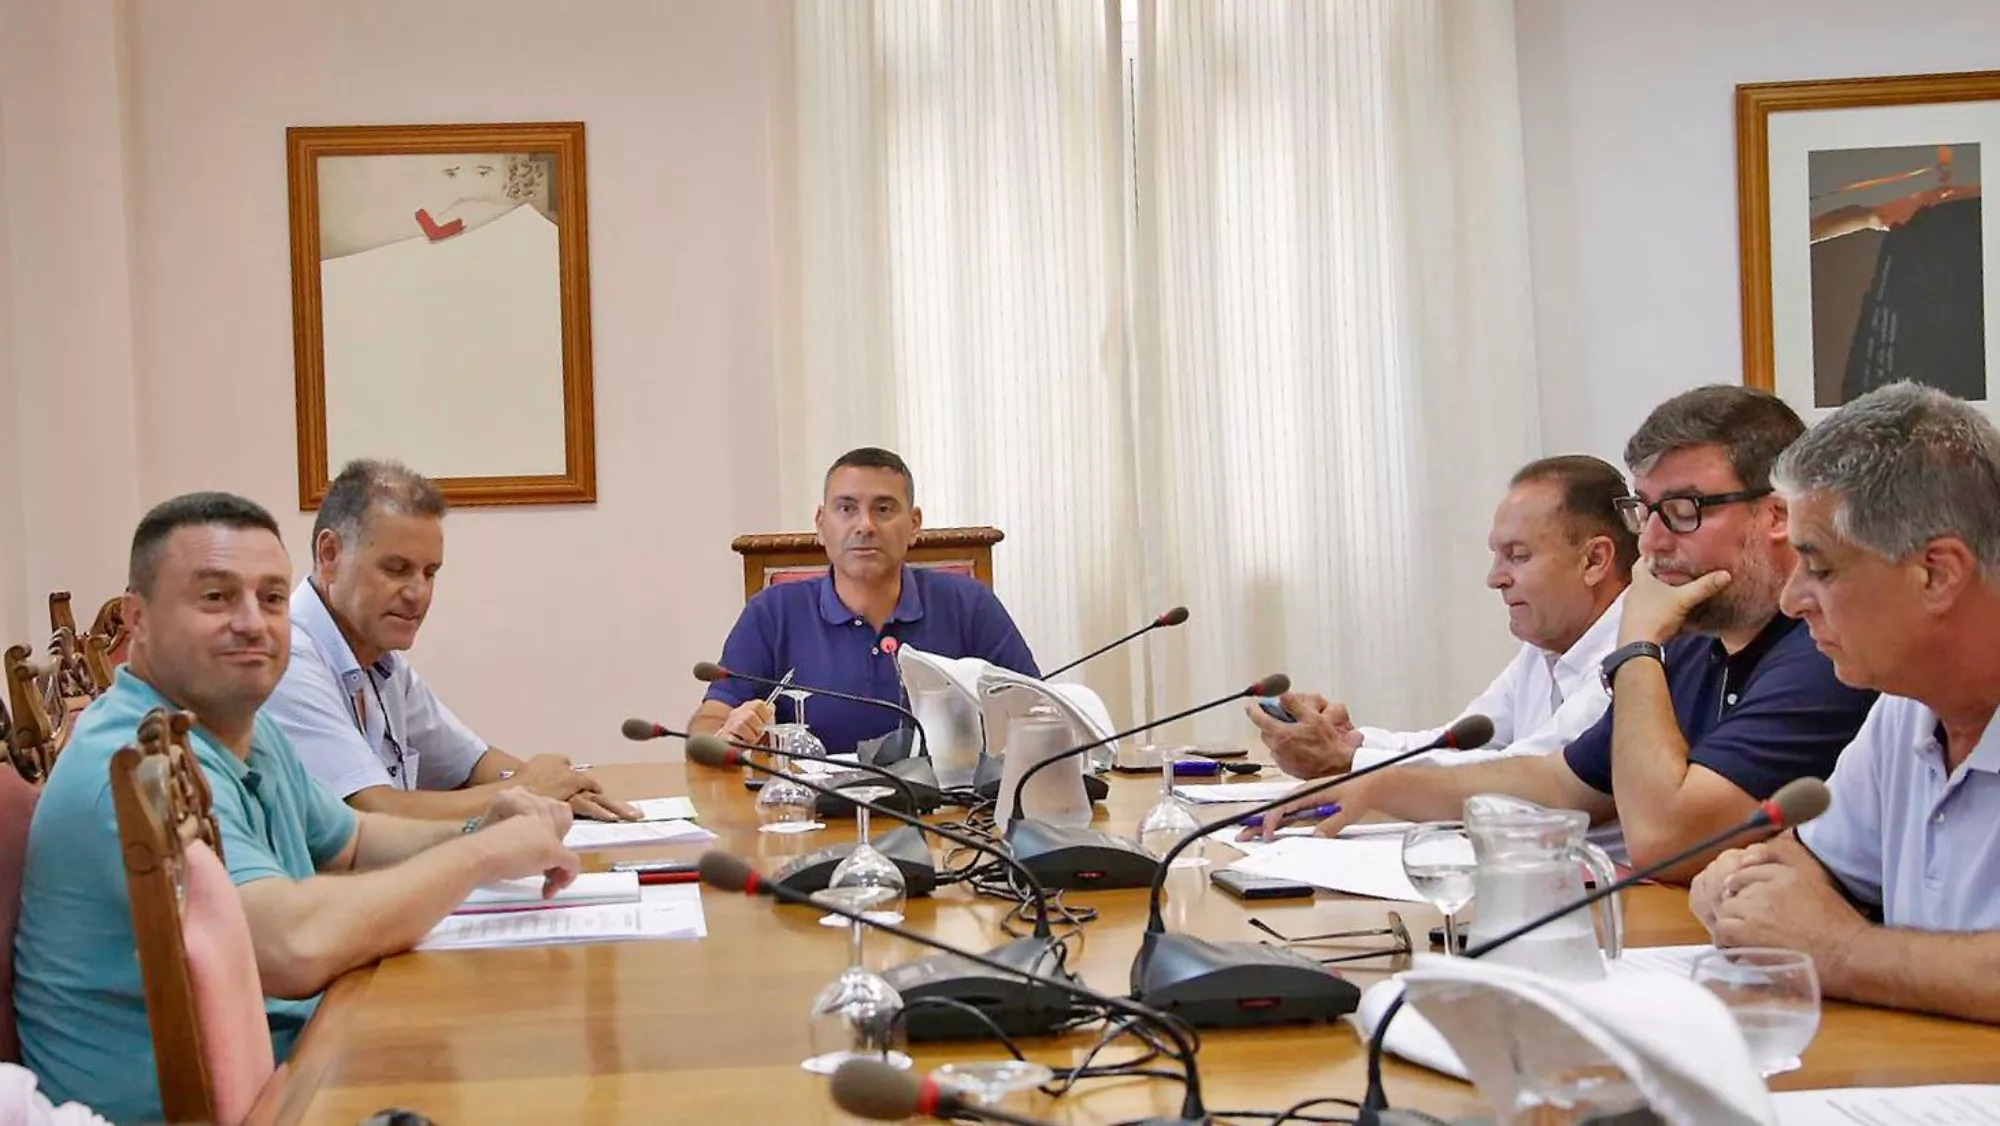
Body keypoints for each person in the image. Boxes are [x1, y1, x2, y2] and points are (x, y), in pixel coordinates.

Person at [11, 493, 580, 1123]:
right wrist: (480, 855)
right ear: (137, 618)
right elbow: (291, 945)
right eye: (216, 597)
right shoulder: (132, 764)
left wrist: (480, 824)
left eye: (273, 598)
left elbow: (353, 840)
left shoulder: (237, 725)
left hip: (301, 1066)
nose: (253, 622)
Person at [1248, 386, 1878, 881]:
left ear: (1775, 514)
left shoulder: (1823, 651)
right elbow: (1557, 781)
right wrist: (1375, 783)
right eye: (1645, 510)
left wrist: (1636, 648)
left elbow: (1664, 839)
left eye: (1683, 513)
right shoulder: (1696, 643)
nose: (1652, 542)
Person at [1691, 383, 2000, 1023]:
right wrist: (1746, 889)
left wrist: (1843, 950)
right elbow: (1809, 866)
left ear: (1937, 572)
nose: (1791, 599)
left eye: (1820, 567)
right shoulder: (1905, 706)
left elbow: (1830, 936)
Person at [265, 460, 637, 821]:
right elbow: (374, 814)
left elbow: (473, 765)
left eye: (430, 573)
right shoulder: (286, 658)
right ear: (329, 554)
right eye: (396, 569)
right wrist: (530, 789)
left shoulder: (380, 660)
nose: (418, 593)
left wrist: (566, 790)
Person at [1249, 455, 1637, 777]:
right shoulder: (1547, 645)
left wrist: (1346, 761)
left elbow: (1530, 774)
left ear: (1594, 561)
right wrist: (1350, 742)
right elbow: (1454, 744)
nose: (1495, 579)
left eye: (1517, 556)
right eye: (1496, 557)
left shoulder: (1633, 653)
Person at [690, 447, 1040, 755]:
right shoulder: (773, 612)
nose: (865, 525)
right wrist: (728, 732)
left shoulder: (970, 604)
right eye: (846, 508)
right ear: (821, 523)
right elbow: (708, 723)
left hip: (945, 812)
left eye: (884, 509)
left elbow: (1035, 712)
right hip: (814, 816)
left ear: (914, 524)